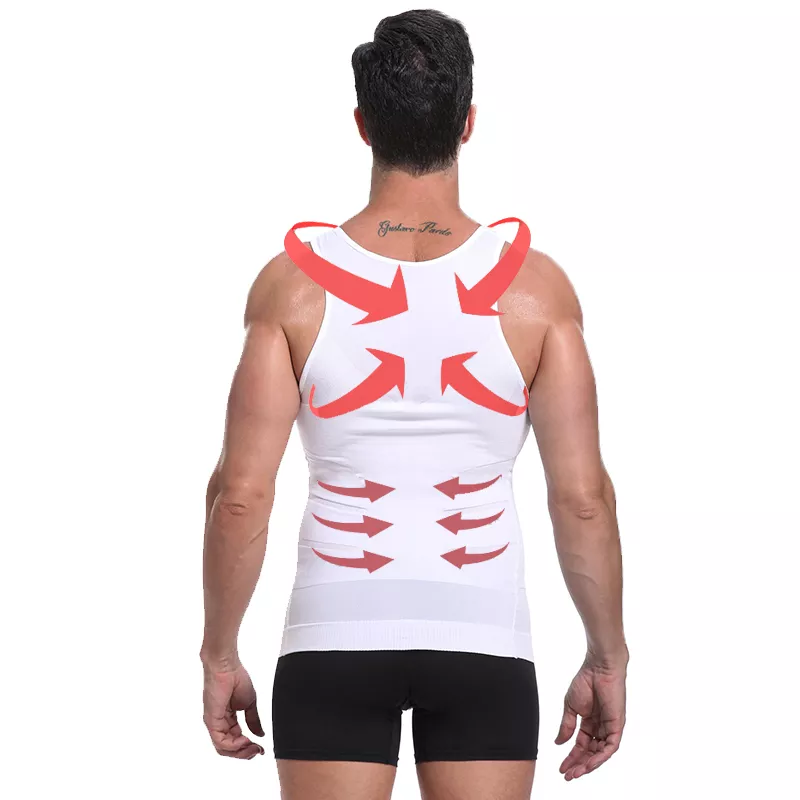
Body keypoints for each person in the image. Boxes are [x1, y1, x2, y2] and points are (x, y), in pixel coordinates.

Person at [200, 9, 628, 800]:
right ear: (468, 122)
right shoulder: (538, 292)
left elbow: (240, 496)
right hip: (483, 640)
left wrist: (219, 653)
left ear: (363, 125)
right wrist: (608, 656)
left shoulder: (291, 289)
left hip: (333, 636)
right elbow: (583, 500)